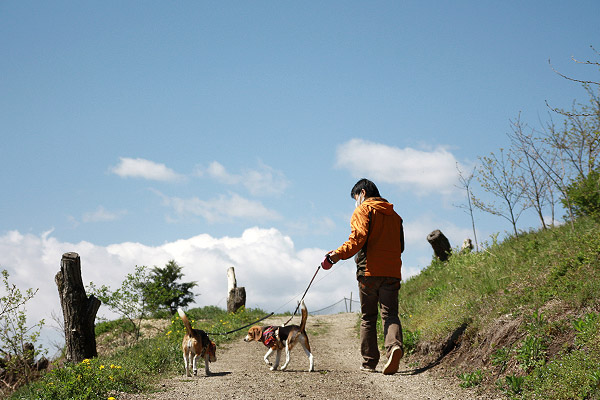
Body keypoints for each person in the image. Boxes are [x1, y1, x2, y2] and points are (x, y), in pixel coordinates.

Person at [324, 178, 404, 374]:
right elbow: (401, 246)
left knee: (368, 317)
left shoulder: (363, 210)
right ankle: (394, 346)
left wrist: (335, 256)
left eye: (355, 198)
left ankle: (369, 362)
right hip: (392, 272)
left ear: (362, 193)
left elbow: (357, 239)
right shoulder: (395, 216)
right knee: (390, 314)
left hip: (369, 271)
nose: (355, 202)